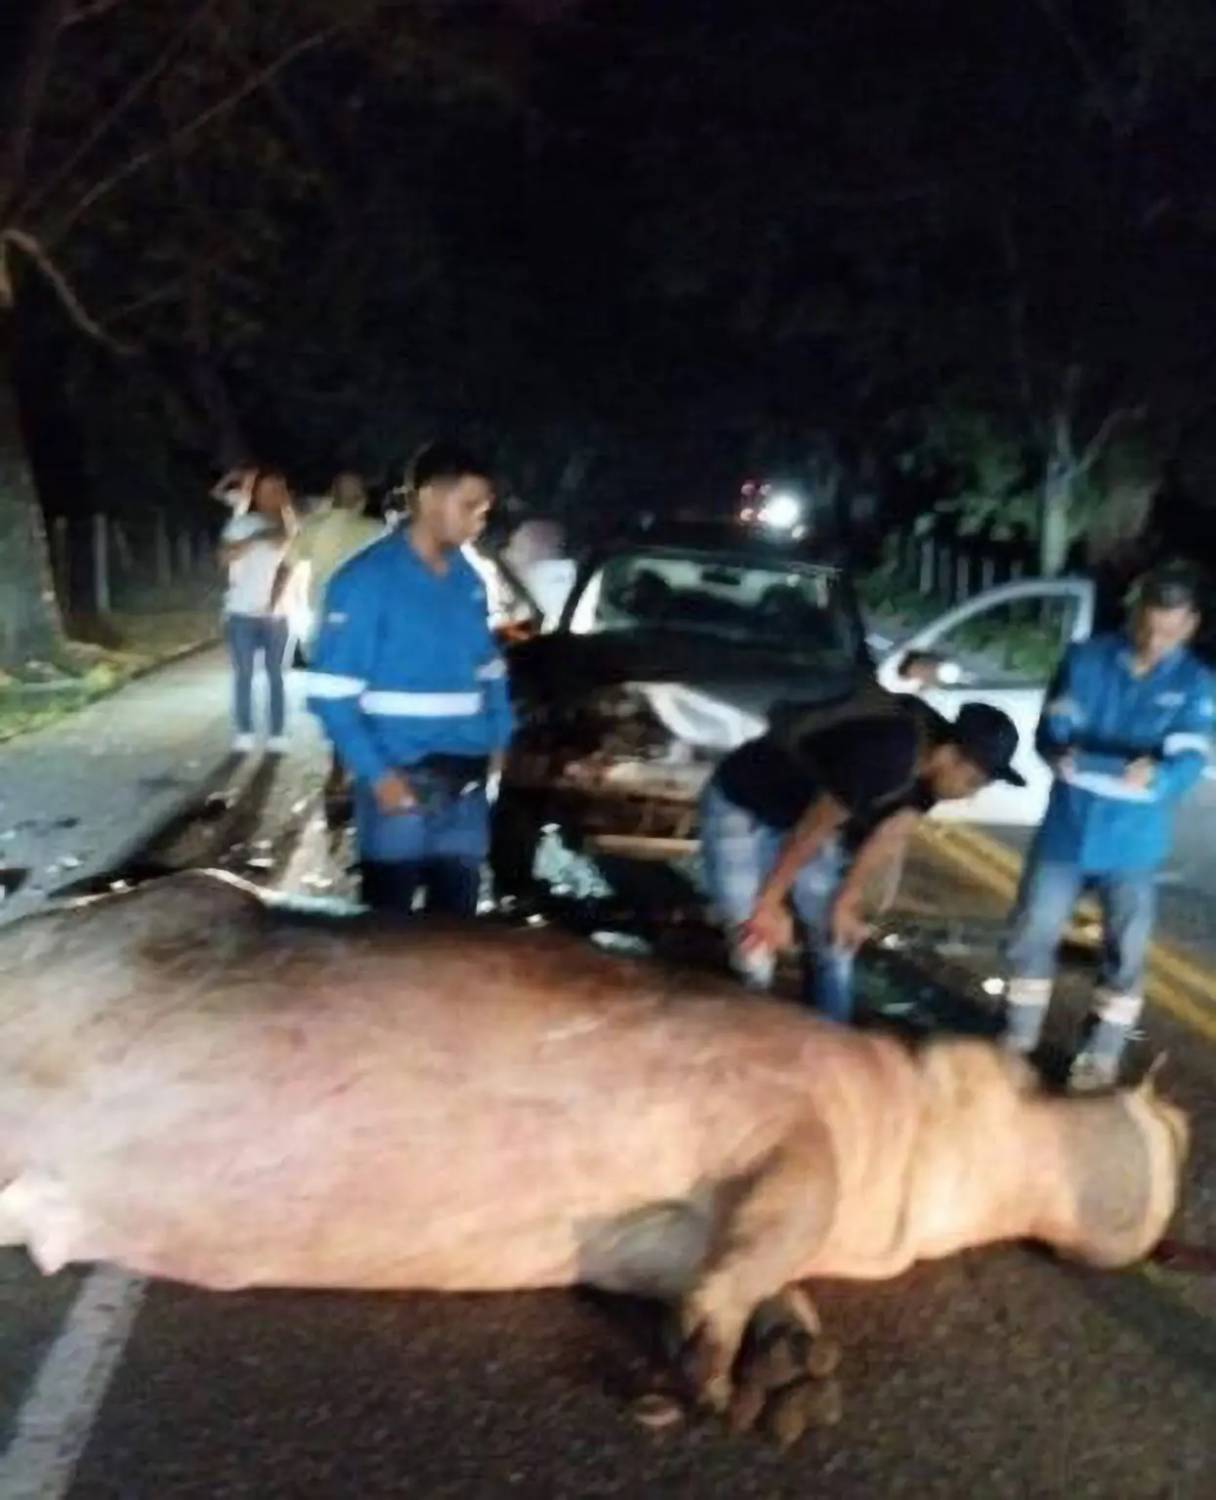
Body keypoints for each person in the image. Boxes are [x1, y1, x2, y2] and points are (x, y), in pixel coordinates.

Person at [1003, 563, 1214, 1089]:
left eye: (1168, 630)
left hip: (1133, 844)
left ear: (1190, 625)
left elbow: (1187, 757)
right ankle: (1016, 1043)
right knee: (1033, 934)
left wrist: (1160, 772)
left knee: (1126, 954)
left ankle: (1098, 1059)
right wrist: (1062, 746)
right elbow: (1054, 727)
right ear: (1132, 614)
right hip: (1066, 833)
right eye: (1146, 625)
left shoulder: (1197, 684)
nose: (1154, 640)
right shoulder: (1086, 658)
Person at [700, 700, 1025, 1021]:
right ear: (949, 755)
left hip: (799, 818)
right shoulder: (890, 753)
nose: (970, 794)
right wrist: (769, 903)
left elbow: (889, 834)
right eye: (972, 781)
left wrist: (847, 901)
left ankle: (832, 1037)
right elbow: (811, 831)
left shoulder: (932, 778)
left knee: (836, 938)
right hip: (743, 806)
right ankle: (751, 1017)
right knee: (754, 933)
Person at [302, 441, 513, 916]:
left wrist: (500, 736)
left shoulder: (469, 581)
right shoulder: (364, 581)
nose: (480, 519)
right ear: (430, 497)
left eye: (484, 509)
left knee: (454, 934)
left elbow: (489, 667)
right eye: (470, 506)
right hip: (402, 784)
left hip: (467, 787)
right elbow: (332, 697)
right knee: (387, 939)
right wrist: (379, 779)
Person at [215, 468, 295, 754]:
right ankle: (245, 731)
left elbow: (290, 553)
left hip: (278, 615)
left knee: (276, 675)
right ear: (256, 495)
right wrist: (254, 539)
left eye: (278, 490)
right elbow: (224, 558)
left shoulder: (291, 527)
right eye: (266, 491)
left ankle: (277, 733)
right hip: (241, 612)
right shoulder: (240, 525)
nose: (272, 496)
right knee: (244, 674)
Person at [268, 471, 384, 641]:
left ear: (332, 496)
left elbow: (284, 569)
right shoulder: (378, 531)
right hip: (365, 622)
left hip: (322, 620)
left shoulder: (312, 528)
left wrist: (272, 608)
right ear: (363, 500)